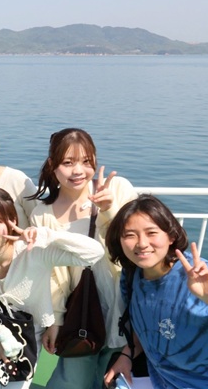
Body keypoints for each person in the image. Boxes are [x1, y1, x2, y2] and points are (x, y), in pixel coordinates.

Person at [0, 187, 103, 389]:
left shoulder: (34, 251)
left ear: (12, 221)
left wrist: (47, 235)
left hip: (28, 335)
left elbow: (94, 253)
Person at [27, 128, 137, 389]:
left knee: (114, 379)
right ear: (53, 165)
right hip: (79, 308)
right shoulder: (43, 213)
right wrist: (55, 320)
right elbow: (52, 275)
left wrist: (109, 210)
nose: (78, 171)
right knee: (73, 380)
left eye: (86, 161)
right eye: (68, 162)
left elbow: (132, 244)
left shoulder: (117, 189)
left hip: (121, 301)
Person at [103, 195, 208, 388]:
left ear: (171, 236)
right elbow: (145, 325)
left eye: (151, 233)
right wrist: (126, 355)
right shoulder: (132, 275)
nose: (142, 243)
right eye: (130, 235)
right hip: (161, 379)